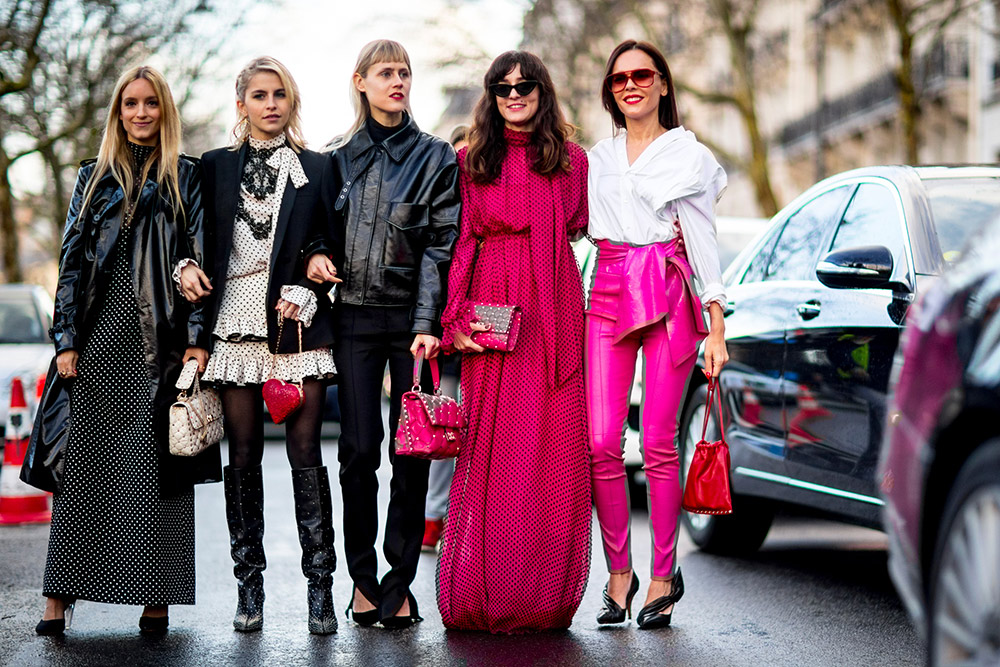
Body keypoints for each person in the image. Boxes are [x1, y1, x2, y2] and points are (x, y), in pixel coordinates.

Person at [26, 65, 219, 636]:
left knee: (155, 470)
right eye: (130, 104)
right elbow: (71, 264)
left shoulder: (186, 176)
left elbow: (201, 264)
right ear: (118, 112)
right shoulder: (91, 178)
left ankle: (154, 597)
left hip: (157, 345)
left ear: (165, 111)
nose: (140, 113)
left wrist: (195, 342)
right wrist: (66, 339)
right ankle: (58, 598)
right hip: (98, 340)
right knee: (83, 469)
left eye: (150, 104)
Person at [178, 56, 338, 635]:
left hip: (297, 327)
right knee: (242, 457)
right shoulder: (213, 167)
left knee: (305, 457)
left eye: (280, 95)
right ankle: (251, 590)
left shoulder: (319, 167)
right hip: (231, 327)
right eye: (259, 95)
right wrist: (186, 263)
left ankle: (320, 590)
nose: (271, 104)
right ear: (241, 103)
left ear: (291, 103)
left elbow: (330, 236)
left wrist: (317, 264)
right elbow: (189, 230)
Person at [305, 39, 460, 629]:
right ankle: (362, 583)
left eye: (405, 72)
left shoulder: (435, 156)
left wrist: (425, 324)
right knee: (358, 453)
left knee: (411, 454)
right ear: (360, 81)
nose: (398, 81)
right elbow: (314, 231)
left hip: (410, 325)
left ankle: (400, 585)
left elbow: (438, 249)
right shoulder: (334, 158)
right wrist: (316, 255)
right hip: (352, 320)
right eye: (386, 72)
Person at [435, 50, 591, 634]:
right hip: (494, 314)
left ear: (542, 91)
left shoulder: (572, 162)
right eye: (502, 88)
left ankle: (541, 596)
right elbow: (460, 245)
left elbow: (582, 226)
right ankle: (487, 591)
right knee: (494, 457)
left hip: (554, 308)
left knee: (549, 453)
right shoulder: (469, 159)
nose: (514, 95)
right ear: (491, 96)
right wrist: (455, 318)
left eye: (524, 86)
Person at [586, 39, 729, 630]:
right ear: (611, 92)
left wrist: (716, 324)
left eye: (642, 75)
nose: (631, 85)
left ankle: (665, 574)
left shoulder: (687, 155)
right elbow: (574, 233)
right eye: (619, 79)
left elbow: (702, 238)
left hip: (668, 291)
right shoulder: (596, 157)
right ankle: (620, 573)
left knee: (661, 444)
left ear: (663, 85)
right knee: (599, 441)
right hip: (609, 286)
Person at [422, 124, 470, 553]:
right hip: (446, 345)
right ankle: (434, 516)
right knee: (444, 432)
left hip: (485, 341)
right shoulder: (442, 214)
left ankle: (465, 520)